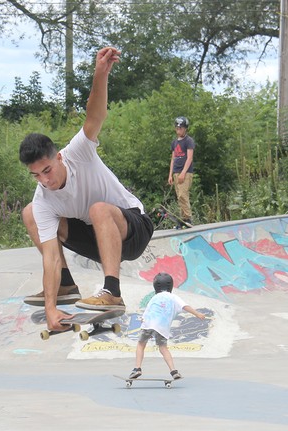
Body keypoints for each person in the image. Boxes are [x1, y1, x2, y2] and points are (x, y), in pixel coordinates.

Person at [19, 47, 154, 332]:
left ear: (58, 158)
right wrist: (51, 309)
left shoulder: (77, 152)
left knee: (98, 209)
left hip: (132, 228)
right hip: (97, 240)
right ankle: (66, 286)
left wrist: (100, 74)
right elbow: (51, 255)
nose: (45, 180)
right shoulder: (43, 198)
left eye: (47, 171)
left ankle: (112, 291)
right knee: (31, 213)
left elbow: (94, 116)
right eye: (36, 176)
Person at [129, 272, 205, 380]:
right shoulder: (173, 297)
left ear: (156, 286)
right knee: (163, 348)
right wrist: (197, 313)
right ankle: (173, 371)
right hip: (162, 328)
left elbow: (147, 312)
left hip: (148, 324)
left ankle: (137, 369)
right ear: (170, 285)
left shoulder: (154, 298)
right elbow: (185, 306)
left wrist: (145, 324)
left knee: (141, 344)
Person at [168, 116, 195, 227]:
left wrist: (183, 173)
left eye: (181, 128)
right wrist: (170, 175)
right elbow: (173, 159)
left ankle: (188, 218)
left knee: (183, 195)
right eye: (177, 128)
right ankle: (183, 219)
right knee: (179, 196)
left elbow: (189, 158)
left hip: (186, 172)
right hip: (176, 172)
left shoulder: (189, 141)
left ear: (185, 129)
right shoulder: (174, 143)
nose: (179, 130)